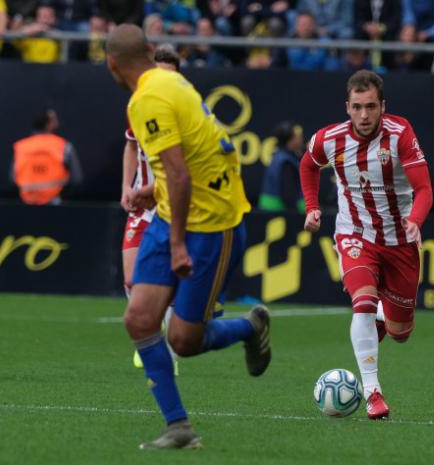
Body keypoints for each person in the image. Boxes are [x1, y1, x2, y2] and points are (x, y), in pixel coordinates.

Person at [106, 24, 271, 449]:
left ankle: (250, 327)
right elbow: (197, 158)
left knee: (184, 339)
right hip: (173, 211)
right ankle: (178, 427)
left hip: (212, 225)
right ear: (148, 51)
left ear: (111, 65)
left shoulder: (146, 99)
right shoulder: (172, 81)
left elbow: (180, 172)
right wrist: (153, 190)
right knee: (139, 318)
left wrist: (177, 243)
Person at [299, 70, 433, 419]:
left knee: (400, 332)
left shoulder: (400, 134)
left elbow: (424, 190)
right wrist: (313, 207)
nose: (363, 115)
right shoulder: (329, 139)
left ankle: (380, 314)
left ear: (382, 106)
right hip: (355, 234)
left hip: (400, 241)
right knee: (362, 300)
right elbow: (307, 164)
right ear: (347, 106)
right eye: (357, 107)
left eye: (371, 106)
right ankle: (373, 393)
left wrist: (415, 221)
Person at [121, 44, 181, 372]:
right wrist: (126, 187)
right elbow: (131, 146)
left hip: (171, 206)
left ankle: (165, 350)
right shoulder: (139, 105)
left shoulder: (185, 109)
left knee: (167, 280)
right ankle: (151, 334)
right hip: (142, 205)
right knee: (131, 278)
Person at [12, 108, 83, 205]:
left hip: (26, 203)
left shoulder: (21, 146)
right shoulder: (63, 146)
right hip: (55, 202)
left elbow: (12, 176)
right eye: (55, 120)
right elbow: (76, 178)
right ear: (49, 124)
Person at [258, 121, 306, 213]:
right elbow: (289, 196)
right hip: (280, 215)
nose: (300, 140)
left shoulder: (278, 157)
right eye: (297, 137)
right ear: (290, 140)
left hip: (269, 213)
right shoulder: (286, 162)